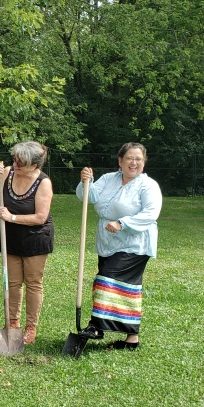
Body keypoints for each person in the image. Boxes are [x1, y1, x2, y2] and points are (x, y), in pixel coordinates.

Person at [76, 142, 162, 350]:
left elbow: (151, 214)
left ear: (144, 162)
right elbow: (88, 196)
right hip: (108, 242)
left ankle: (96, 326)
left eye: (138, 159)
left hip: (135, 243)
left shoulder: (148, 186)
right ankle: (132, 339)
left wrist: (122, 223)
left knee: (106, 278)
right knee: (128, 289)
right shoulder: (108, 179)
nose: (134, 163)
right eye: (130, 158)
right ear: (120, 161)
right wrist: (86, 182)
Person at [0, 141, 54, 345]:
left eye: (21, 162)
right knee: (12, 283)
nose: (15, 163)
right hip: (10, 237)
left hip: (36, 237)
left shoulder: (43, 182)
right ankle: (13, 323)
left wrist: (11, 217)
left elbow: (41, 217)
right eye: (15, 159)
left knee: (33, 283)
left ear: (34, 165)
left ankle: (31, 326)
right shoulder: (7, 172)